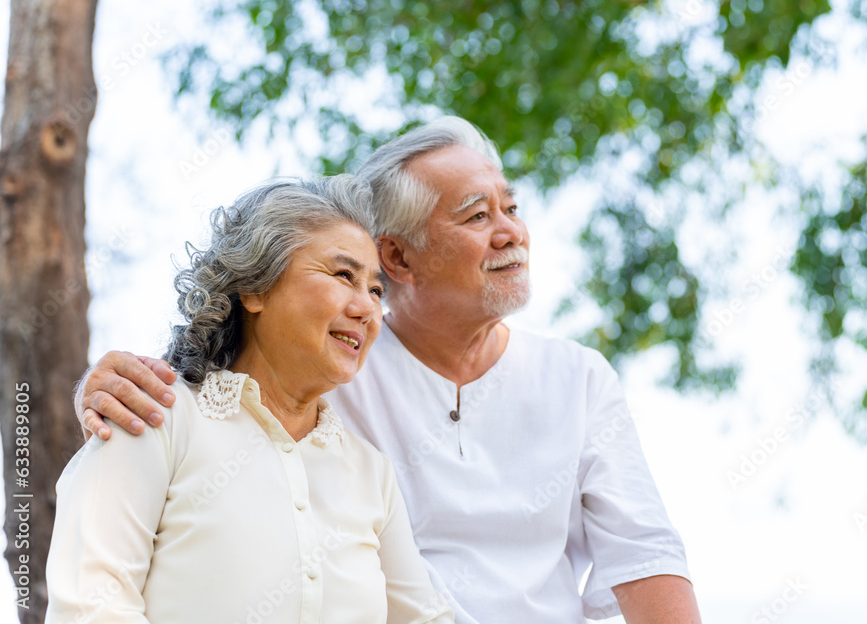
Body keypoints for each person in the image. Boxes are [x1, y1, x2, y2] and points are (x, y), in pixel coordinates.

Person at [75, 117, 702, 623]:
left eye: (511, 208)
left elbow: (642, 554)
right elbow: (220, 380)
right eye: (478, 216)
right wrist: (102, 387)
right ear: (400, 256)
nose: (511, 232)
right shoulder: (334, 370)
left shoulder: (578, 379)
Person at [48, 176, 453, 623]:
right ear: (255, 288)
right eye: (343, 275)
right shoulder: (152, 415)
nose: (368, 309)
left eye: (376, 290)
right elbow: (90, 606)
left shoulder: (372, 474)